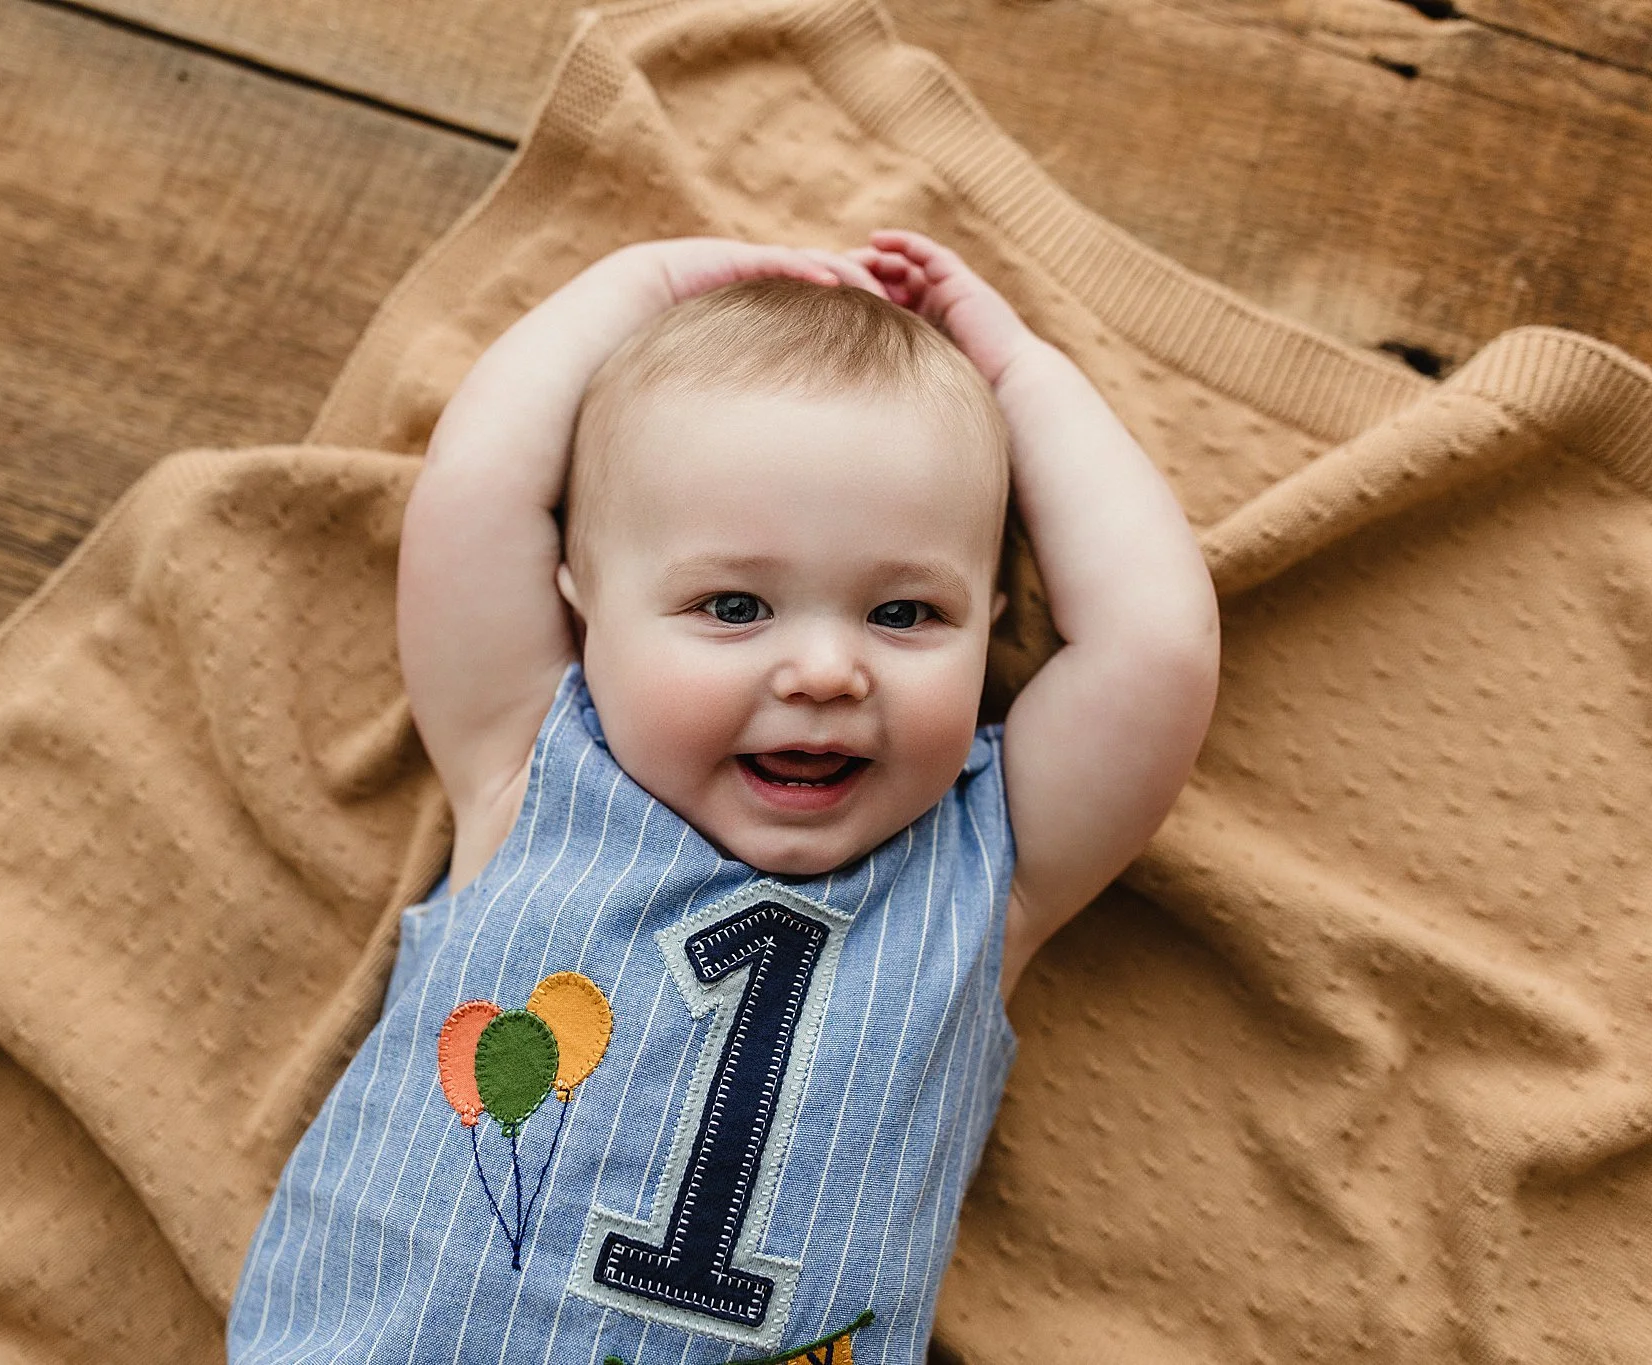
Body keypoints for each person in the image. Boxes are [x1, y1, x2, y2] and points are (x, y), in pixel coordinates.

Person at [227, 231, 1219, 1364]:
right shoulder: (528, 773)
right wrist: (642, 283)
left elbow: (1154, 645)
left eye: (904, 615)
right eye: (733, 607)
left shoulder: (988, 871)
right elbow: (477, 487)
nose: (823, 673)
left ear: (992, 620)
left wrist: (1019, 371)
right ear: (585, 602)